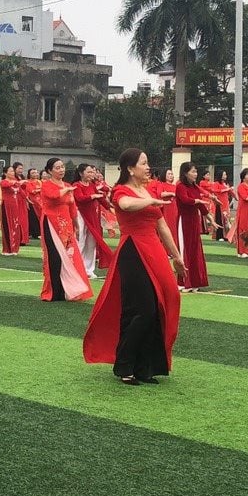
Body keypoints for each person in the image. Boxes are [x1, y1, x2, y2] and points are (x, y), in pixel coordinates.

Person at [83, 149, 183, 386]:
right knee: (142, 308)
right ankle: (125, 365)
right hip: (133, 250)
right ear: (130, 168)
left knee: (167, 299)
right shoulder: (121, 190)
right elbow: (126, 205)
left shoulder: (147, 191)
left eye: (148, 163)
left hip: (154, 249)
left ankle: (145, 367)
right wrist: (152, 201)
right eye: (144, 163)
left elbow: (162, 226)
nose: (148, 167)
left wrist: (177, 256)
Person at [39, 157, 94, 302]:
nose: (61, 170)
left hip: (66, 225)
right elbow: (53, 196)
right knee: (55, 257)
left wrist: (76, 224)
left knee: (69, 257)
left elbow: (72, 207)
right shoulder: (47, 185)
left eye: (62, 167)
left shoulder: (67, 185)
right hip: (51, 223)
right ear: (50, 171)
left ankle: (68, 290)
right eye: (57, 168)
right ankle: (54, 292)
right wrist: (66, 190)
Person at [174, 162, 210, 292]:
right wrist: (197, 201)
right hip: (184, 222)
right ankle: (183, 281)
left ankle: (195, 281)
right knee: (185, 250)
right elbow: (185, 200)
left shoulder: (195, 187)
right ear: (185, 173)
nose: (195, 174)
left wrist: (210, 218)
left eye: (196, 171)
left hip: (195, 221)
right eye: (193, 171)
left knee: (195, 251)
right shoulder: (180, 187)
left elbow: (201, 206)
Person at [72, 164, 110, 277]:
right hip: (81, 215)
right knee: (81, 241)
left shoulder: (92, 185)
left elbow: (101, 198)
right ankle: (78, 267)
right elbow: (79, 198)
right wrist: (92, 196)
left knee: (91, 242)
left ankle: (89, 269)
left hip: (92, 215)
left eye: (92, 172)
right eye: (88, 172)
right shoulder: (76, 185)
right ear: (81, 173)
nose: (91, 174)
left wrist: (110, 207)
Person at [0, 165, 27, 256]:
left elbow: (21, 192)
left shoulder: (15, 182)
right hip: (6, 207)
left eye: (12, 171)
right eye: (10, 171)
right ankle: (7, 249)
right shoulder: (4, 182)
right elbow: (6, 185)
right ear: (5, 173)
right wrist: (18, 182)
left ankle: (14, 248)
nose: (12, 173)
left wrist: (28, 200)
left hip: (15, 207)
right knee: (7, 226)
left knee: (15, 226)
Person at [25, 167, 43, 242]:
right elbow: (32, 191)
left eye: (36, 172)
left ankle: (40, 232)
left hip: (40, 202)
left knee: (40, 217)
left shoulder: (40, 182)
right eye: (33, 173)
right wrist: (39, 190)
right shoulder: (28, 182)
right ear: (29, 174)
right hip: (32, 202)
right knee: (33, 218)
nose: (35, 174)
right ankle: (35, 233)